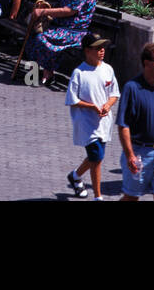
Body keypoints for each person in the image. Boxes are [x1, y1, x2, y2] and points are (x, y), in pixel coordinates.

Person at [65, 33, 121, 200]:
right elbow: (72, 99)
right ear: (87, 51)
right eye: (97, 48)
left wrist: (107, 105)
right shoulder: (79, 73)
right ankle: (98, 197)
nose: (102, 51)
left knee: (96, 156)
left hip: (104, 123)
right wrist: (92, 107)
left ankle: (75, 176)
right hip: (87, 124)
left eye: (103, 47)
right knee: (96, 158)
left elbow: (114, 93)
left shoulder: (108, 69)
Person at [117, 43, 154, 201]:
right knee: (131, 198)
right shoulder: (132, 88)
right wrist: (130, 155)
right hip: (140, 153)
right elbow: (123, 125)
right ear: (146, 63)